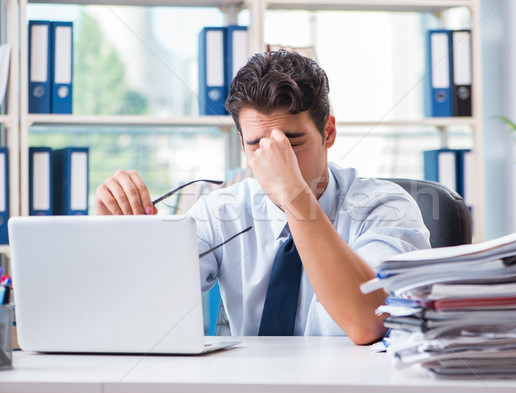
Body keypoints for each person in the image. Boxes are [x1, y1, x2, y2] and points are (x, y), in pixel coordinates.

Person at [95, 50, 430, 345]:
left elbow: (367, 323)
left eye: (292, 142)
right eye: (257, 145)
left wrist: (295, 198)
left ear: (328, 132)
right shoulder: (221, 212)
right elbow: (143, 311)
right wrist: (124, 239)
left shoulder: (387, 208)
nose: (274, 159)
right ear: (241, 145)